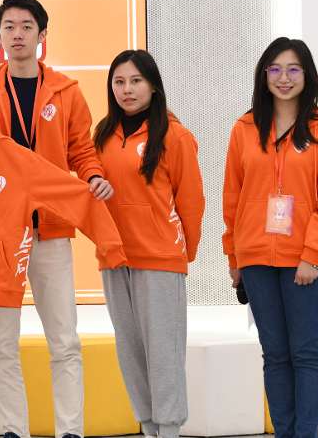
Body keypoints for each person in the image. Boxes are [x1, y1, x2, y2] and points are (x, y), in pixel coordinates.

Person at [0, 0, 113, 438]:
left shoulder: (66, 92)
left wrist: (94, 176)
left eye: (27, 26)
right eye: (9, 27)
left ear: (42, 34)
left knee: (64, 340)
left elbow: (82, 150)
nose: (18, 34)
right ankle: (14, 429)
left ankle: (70, 431)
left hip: (51, 229)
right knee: (2, 342)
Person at [223, 37, 318, 438]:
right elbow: (232, 199)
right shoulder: (244, 129)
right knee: (275, 355)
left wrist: (313, 254)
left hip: (305, 262)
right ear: (264, 75)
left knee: (305, 353)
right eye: (275, 69)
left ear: (307, 75)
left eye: (293, 69)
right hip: (256, 259)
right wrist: (234, 258)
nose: (284, 77)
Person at [92, 50, 203, 438]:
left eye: (136, 81)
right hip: (114, 257)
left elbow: (192, 200)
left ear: (153, 86)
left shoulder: (175, 135)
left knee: (163, 353)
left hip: (159, 258)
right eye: (119, 82)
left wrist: (182, 252)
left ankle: (169, 429)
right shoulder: (102, 134)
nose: (127, 89)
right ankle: (148, 426)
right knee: (131, 350)